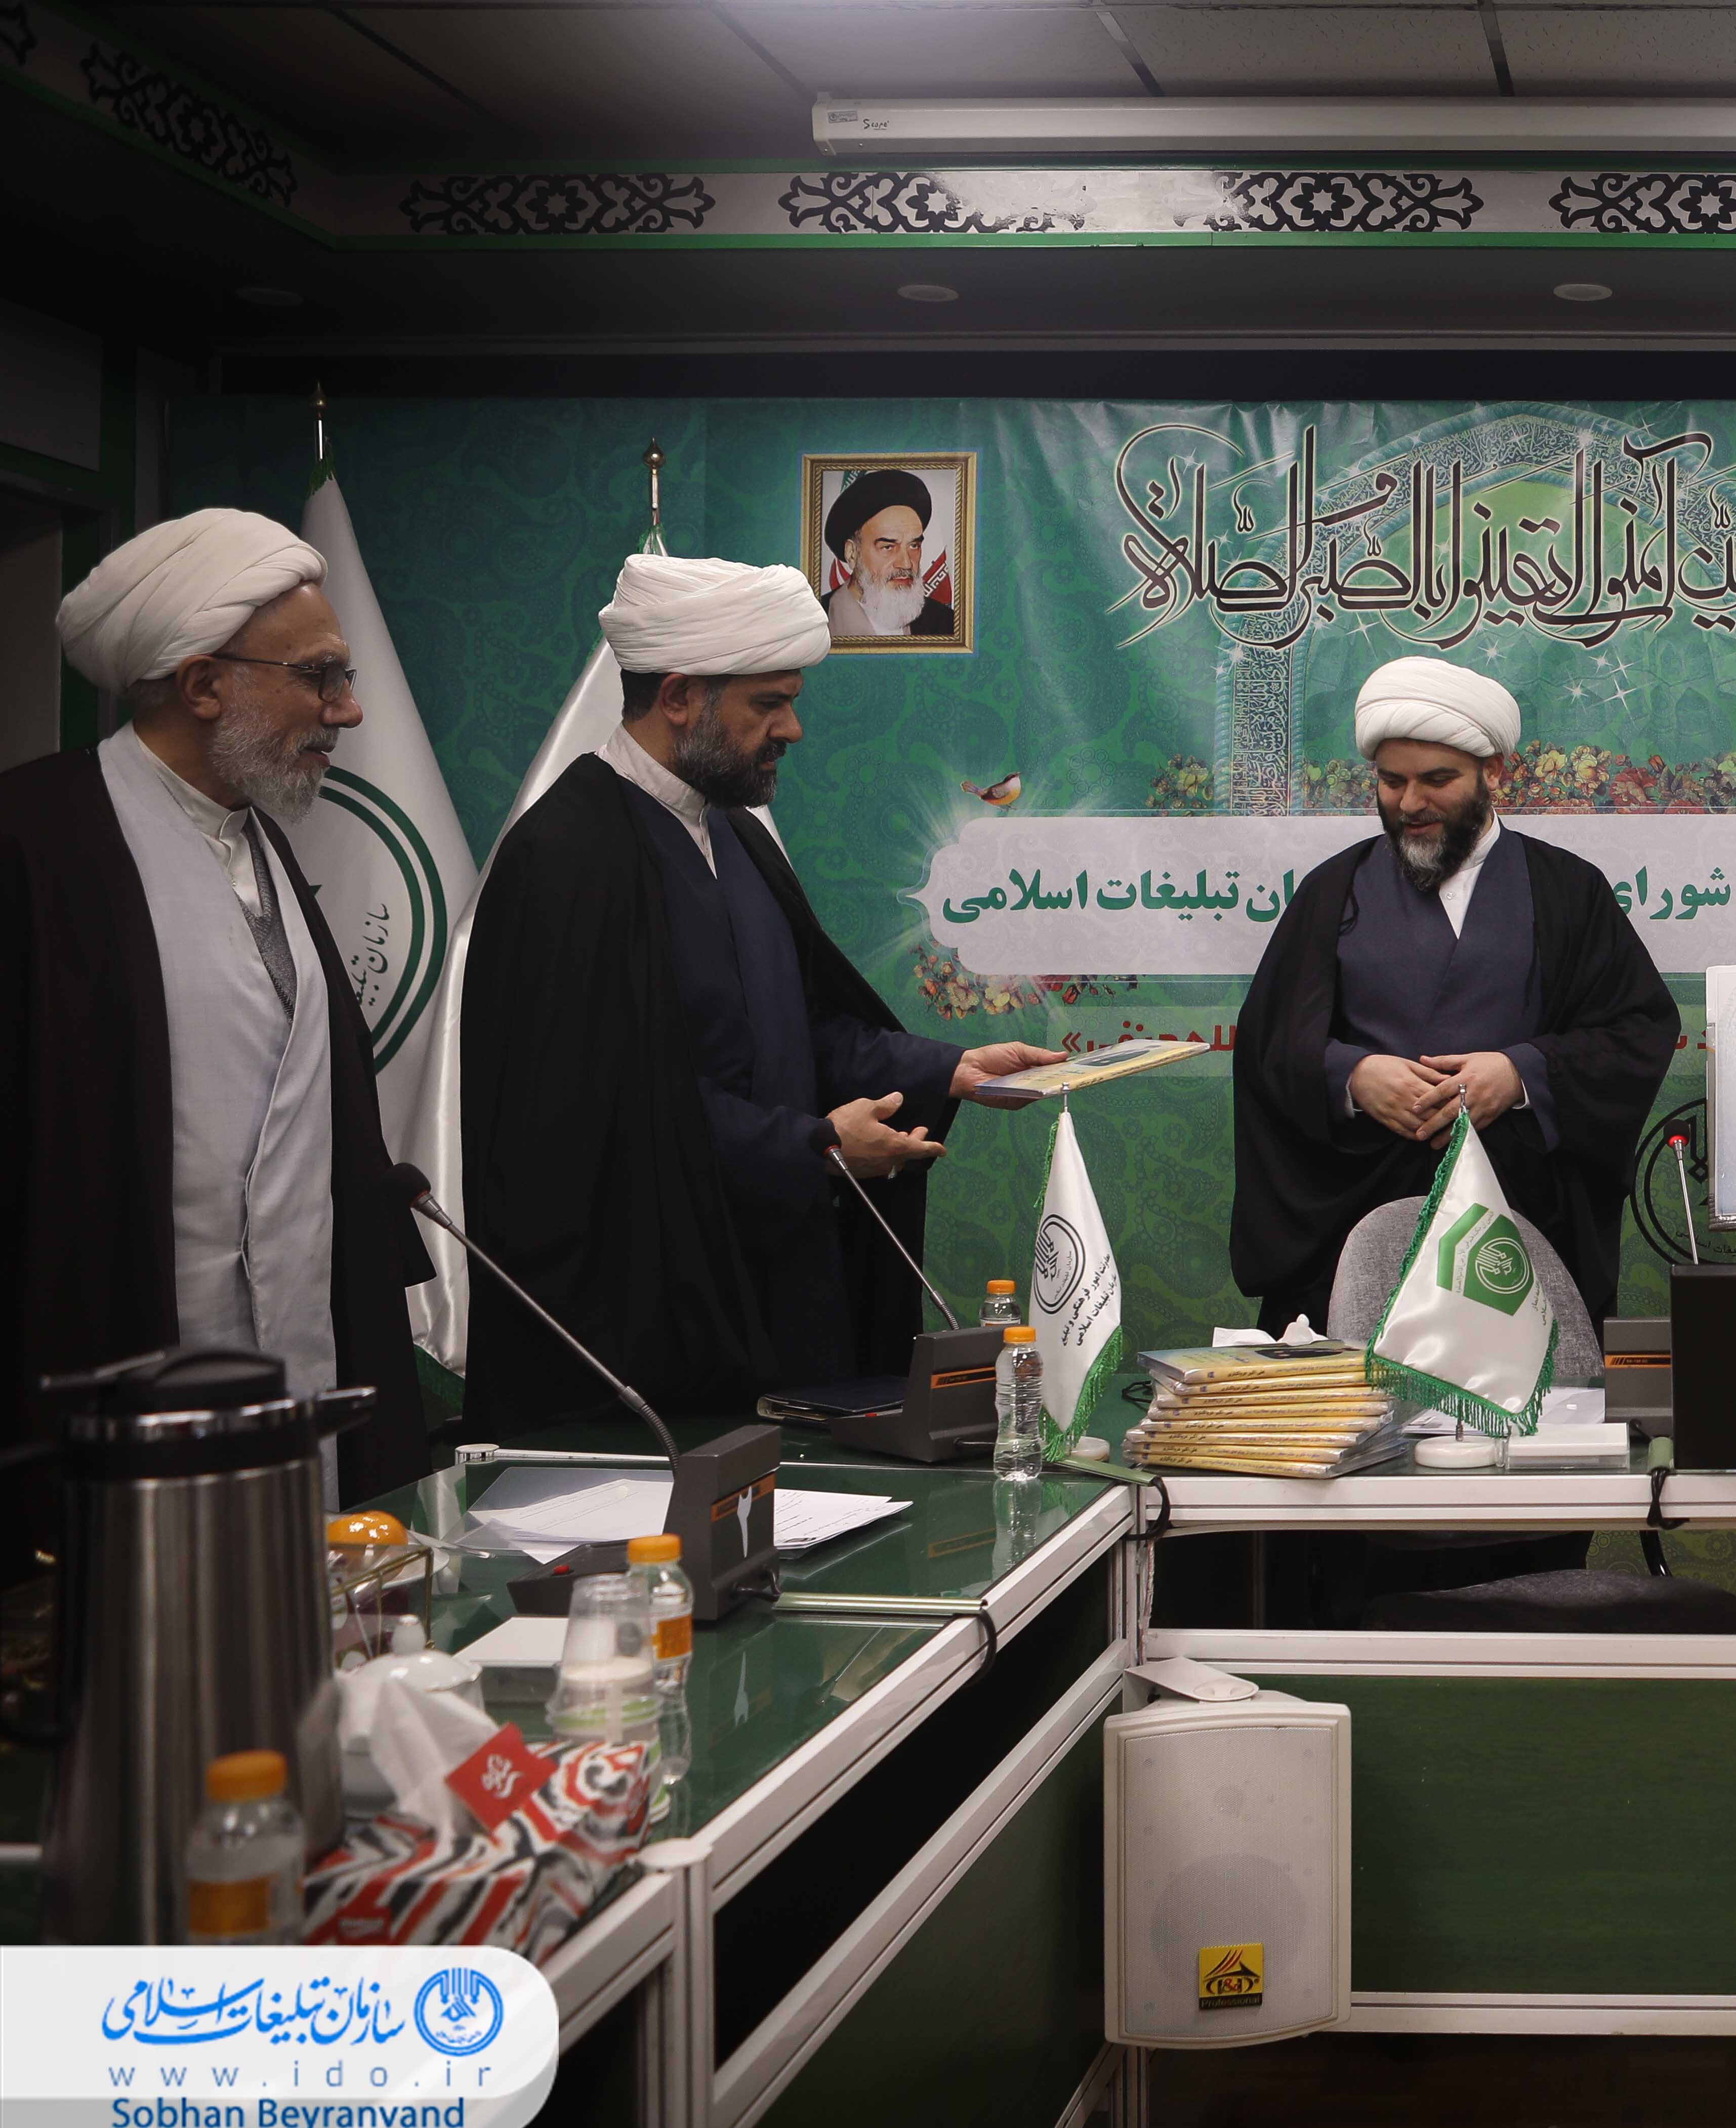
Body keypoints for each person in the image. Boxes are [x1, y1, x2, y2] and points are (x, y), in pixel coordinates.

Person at [462, 554, 1058, 1437]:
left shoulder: (735, 834)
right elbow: (597, 1124)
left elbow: (797, 1032)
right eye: (769, 705)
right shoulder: (566, 858)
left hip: (778, 1299)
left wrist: (949, 1068)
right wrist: (813, 1147)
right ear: (678, 698)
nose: (794, 730)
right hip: (650, 1334)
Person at [0, 509, 433, 1506]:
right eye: (320, 677)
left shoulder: (263, 842)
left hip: (299, 1373)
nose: (348, 711)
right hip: (116, 1382)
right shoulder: (31, 844)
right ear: (202, 685)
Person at [1232, 656, 1677, 1340]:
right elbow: (1269, 1046)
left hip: (1518, 1228)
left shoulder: (1568, 892)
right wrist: (1351, 1077)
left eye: (1437, 781)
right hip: (1353, 1231)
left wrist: (1521, 1075)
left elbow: (1636, 1030)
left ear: (1494, 771)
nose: (1411, 804)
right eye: (1392, 781)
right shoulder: (1331, 892)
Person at [822, 467, 955, 640]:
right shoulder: (818, 620)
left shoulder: (946, 623)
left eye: (914, 546)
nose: (906, 564)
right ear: (852, 554)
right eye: (888, 547)